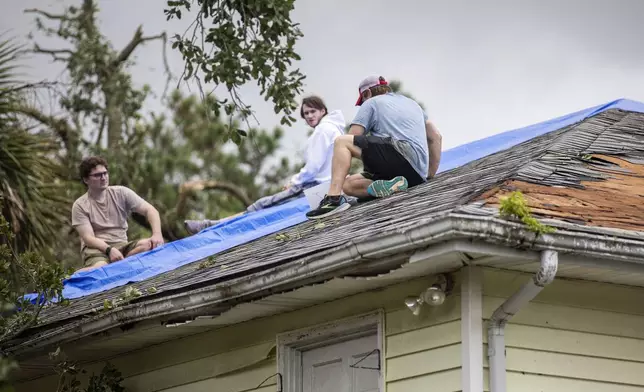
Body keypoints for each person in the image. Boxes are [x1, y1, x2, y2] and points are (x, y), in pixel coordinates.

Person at [184, 96, 346, 235]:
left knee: (263, 207)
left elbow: (313, 167)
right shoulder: (333, 129)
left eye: (313, 111)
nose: (309, 116)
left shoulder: (322, 131)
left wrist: (294, 182)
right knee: (267, 209)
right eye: (306, 113)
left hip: (315, 186)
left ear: (323, 111)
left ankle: (211, 226)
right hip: (329, 186)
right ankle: (214, 224)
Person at [306, 75, 442, 219]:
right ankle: (388, 187)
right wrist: (429, 174)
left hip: (398, 155)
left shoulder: (371, 102)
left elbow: (352, 137)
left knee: (341, 142)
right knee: (348, 185)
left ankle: (333, 200)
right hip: (415, 175)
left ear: (367, 93)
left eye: (362, 99)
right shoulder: (412, 103)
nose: (363, 103)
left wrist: (339, 170)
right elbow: (435, 136)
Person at [71, 156, 165, 272]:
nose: (103, 177)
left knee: (149, 245)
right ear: (86, 180)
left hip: (122, 245)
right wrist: (109, 250)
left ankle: (120, 264)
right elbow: (88, 238)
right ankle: (71, 278)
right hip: (97, 250)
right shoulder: (80, 205)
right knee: (100, 269)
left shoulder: (121, 192)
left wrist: (157, 234)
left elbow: (150, 210)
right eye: (97, 175)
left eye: (105, 173)